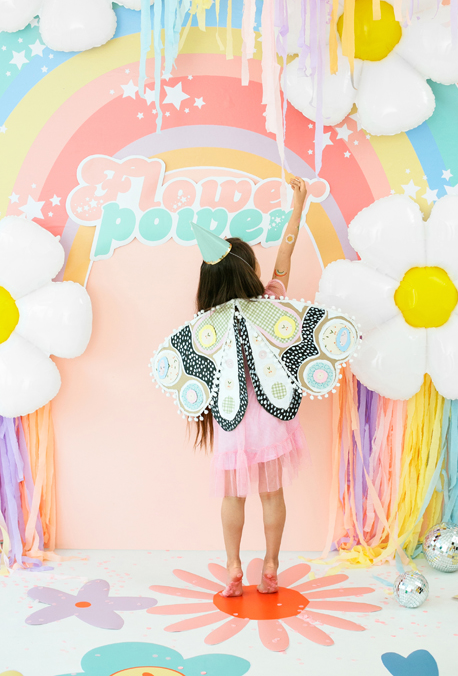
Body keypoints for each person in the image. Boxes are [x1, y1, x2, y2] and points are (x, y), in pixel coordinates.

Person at [193, 176, 309, 598]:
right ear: (251, 273)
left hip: (233, 419)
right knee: (272, 494)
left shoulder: (208, 324)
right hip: (271, 417)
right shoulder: (271, 301)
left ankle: (233, 567)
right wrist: (298, 206)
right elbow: (286, 253)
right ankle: (272, 565)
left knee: (233, 496)